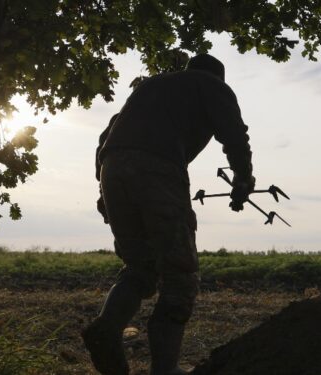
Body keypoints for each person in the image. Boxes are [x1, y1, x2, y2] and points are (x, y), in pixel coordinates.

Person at [82, 53, 255, 375]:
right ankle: (165, 369)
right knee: (180, 275)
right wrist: (243, 176)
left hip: (113, 169)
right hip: (158, 169)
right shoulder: (211, 84)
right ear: (219, 77)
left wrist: (103, 190)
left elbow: (106, 135)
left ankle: (107, 327)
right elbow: (233, 131)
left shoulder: (151, 86)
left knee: (139, 266)